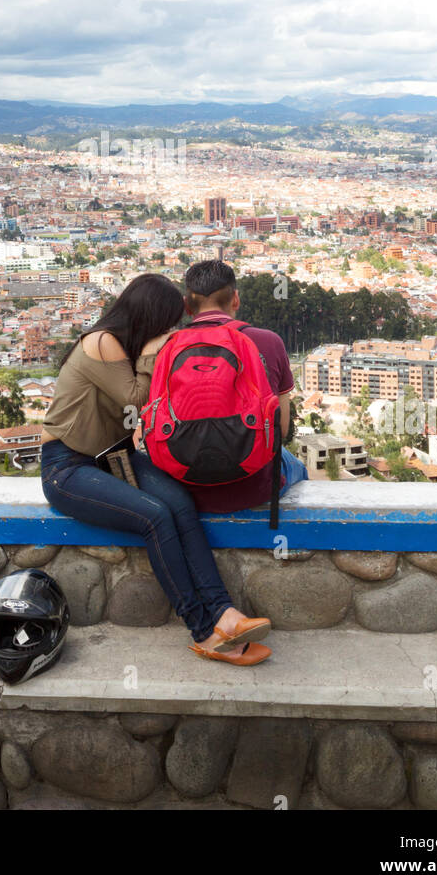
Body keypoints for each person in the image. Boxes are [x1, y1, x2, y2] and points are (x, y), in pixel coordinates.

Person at [40, 273, 272, 665]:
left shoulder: (126, 347)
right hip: (67, 467)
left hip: (113, 459)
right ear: (149, 316)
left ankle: (226, 614)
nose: (169, 330)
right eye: (165, 321)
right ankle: (203, 630)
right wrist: (153, 352)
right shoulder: (102, 342)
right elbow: (137, 398)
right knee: (154, 517)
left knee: (180, 503)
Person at [180, 259, 308, 515]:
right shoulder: (268, 341)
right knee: (298, 467)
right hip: (255, 485)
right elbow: (280, 429)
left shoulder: (170, 347)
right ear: (235, 300)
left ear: (187, 305)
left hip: (186, 485)